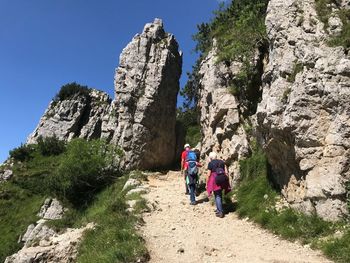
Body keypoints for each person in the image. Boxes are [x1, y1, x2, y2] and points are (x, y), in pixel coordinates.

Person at [206, 152, 231, 218]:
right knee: (219, 194)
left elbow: (208, 174)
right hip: (222, 179)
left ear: (211, 158)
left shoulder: (210, 163)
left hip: (215, 180)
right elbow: (226, 172)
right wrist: (227, 180)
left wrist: (207, 183)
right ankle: (218, 209)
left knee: (217, 195)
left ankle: (220, 212)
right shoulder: (222, 162)